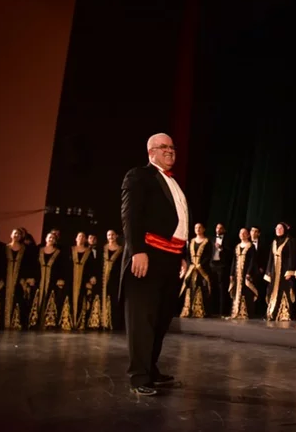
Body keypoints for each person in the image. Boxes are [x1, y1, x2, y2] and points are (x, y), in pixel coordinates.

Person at [120, 133, 189, 396]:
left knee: (161, 319)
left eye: (172, 147)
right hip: (148, 256)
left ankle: (150, 368)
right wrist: (137, 250)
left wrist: (181, 254)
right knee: (143, 318)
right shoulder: (139, 176)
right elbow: (131, 215)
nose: (170, 151)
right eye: (164, 147)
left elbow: (177, 223)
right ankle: (139, 376)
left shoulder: (174, 183)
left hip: (170, 259)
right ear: (151, 152)